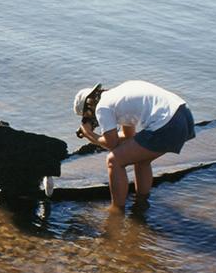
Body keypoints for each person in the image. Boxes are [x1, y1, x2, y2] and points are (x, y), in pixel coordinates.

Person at [73, 80, 195, 212]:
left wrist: (89, 134)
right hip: (183, 115)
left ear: (89, 108)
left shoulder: (102, 107)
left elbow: (111, 143)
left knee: (114, 160)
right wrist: (97, 136)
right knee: (141, 159)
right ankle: (142, 201)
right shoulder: (119, 95)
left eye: (87, 117)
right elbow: (128, 136)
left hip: (167, 124)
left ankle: (117, 209)